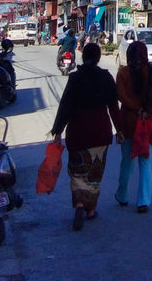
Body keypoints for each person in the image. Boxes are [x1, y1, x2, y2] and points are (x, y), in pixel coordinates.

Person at [50, 43, 119, 230]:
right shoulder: (106, 78)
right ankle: (90, 210)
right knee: (94, 172)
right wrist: (120, 130)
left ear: (82, 57)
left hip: (78, 132)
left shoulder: (75, 78)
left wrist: (57, 130)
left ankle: (79, 204)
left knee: (78, 171)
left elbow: (65, 106)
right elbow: (113, 107)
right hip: (100, 132)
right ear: (97, 58)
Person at [115, 40, 152, 213]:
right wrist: (146, 110)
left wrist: (136, 109)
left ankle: (122, 195)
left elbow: (121, 96)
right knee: (146, 162)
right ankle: (144, 200)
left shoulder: (123, 73)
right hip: (148, 123)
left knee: (127, 162)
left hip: (129, 122)